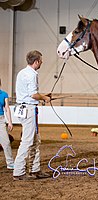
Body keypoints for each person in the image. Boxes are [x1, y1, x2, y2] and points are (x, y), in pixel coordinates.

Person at [13, 50, 51, 181]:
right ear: (36, 62)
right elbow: (33, 95)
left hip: (23, 108)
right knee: (28, 141)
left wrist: (43, 96)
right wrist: (44, 98)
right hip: (29, 109)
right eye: (40, 60)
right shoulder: (32, 74)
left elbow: (30, 93)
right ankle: (18, 171)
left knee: (34, 140)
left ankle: (35, 169)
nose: (42, 62)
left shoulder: (22, 73)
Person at [0, 78, 15, 170]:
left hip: (1, 120)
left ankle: (10, 163)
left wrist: (10, 122)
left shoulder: (4, 94)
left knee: (6, 142)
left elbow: (7, 108)